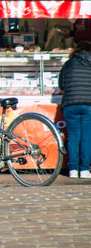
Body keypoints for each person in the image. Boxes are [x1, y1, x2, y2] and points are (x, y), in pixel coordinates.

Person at [58, 41, 91, 179]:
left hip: (70, 104)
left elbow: (61, 85)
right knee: (86, 137)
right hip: (88, 104)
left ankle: (73, 170)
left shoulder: (69, 63)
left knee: (73, 136)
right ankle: (84, 170)